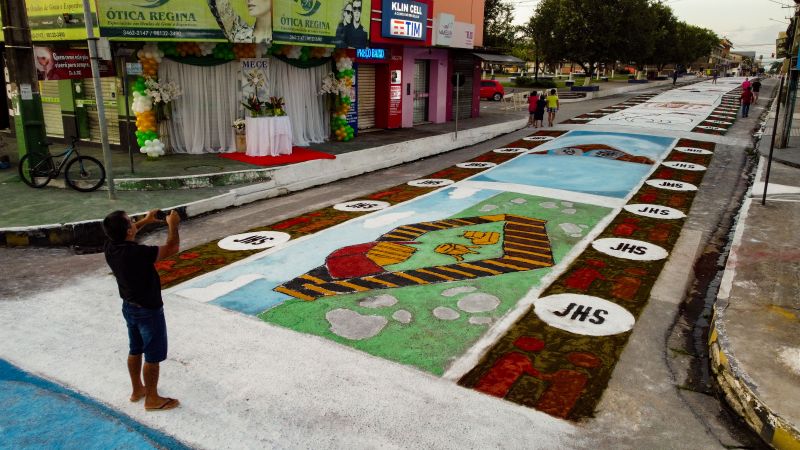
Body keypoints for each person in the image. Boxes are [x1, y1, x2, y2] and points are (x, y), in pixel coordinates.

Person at [103, 209, 181, 412]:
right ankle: (152, 398)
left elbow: (128, 231)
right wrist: (172, 224)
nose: (134, 224)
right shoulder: (138, 253)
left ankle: (138, 389)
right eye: (131, 222)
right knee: (153, 355)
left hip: (129, 307)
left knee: (135, 348)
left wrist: (146, 220)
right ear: (128, 231)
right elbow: (172, 247)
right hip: (148, 309)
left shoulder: (111, 246)